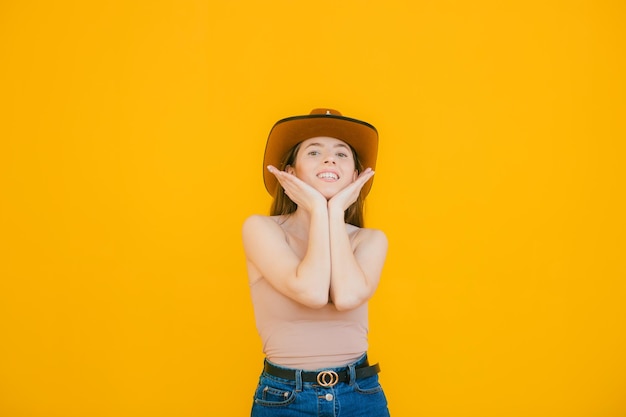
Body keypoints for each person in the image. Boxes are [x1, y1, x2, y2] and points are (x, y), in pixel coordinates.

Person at [242, 108, 390, 416]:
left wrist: (333, 212)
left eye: (341, 154)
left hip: (360, 396)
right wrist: (317, 209)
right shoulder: (262, 229)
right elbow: (311, 292)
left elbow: (348, 296)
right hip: (285, 400)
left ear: (355, 176)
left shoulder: (370, 240)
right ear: (291, 174)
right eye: (314, 151)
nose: (329, 159)